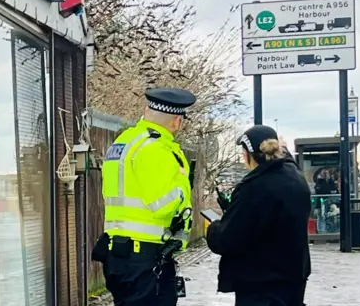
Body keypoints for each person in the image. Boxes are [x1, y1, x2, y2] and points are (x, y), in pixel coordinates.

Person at [92, 87, 196, 306]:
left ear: (146, 111)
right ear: (177, 121)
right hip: (144, 256)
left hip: (120, 254)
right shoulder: (155, 148)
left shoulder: (125, 141)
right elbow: (162, 205)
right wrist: (181, 182)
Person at [206, 125, 311, 306]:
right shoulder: (296, 177)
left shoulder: (255, 187)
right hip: (293, 276)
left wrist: (214, 228)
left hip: (260, 282)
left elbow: (228, 239)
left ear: (248, 154)